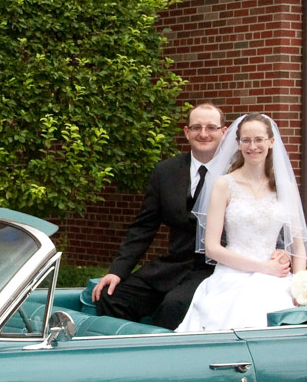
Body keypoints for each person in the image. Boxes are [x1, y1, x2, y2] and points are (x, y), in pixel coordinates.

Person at [90, 103, 226, 330]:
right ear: (186, 132)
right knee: (111, 296)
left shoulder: (235, 172)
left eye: (211, 127)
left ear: (224, 131)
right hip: (173, 266)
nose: (203, 133)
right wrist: (117, 271)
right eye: (196, 127)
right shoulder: (165, 171)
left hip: (215, 270)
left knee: (175, 306)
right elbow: (144, 227)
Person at [176, 113, 307, 332]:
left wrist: (299, 287)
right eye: (246, 140)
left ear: (271, 142)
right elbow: (212, 248)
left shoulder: (283, 187)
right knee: (247, 311)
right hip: (233, 276)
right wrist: (263, 267)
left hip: (277, 277)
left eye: (259, 139)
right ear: (237, 144)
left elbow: (298, 246)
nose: (253, 146)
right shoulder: (224, 185)